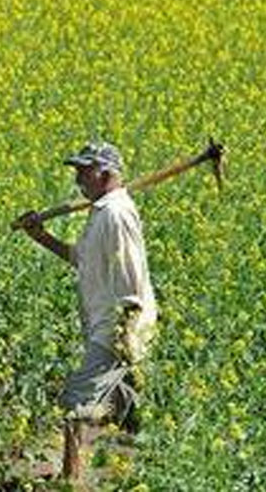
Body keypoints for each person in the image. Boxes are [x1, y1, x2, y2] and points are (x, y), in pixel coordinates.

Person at [16, 141, 158, 480]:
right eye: (77, 171)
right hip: (105, 321)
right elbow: (79, 259)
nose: (78, 178)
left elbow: (131, 277)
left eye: (84, 171)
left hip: (118, 325)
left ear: (106, 173)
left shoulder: (116, 214)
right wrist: (40, 236)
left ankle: (71, 481)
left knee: (75, 402)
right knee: (127, 410)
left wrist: (124, 329)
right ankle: (137, 474)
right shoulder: (101, 211)